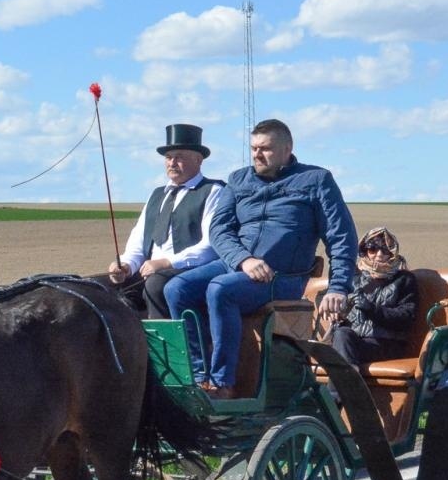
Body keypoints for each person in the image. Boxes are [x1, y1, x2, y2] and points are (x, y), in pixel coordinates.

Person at [164, 118, 358, 398]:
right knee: (176, 288)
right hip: (237, 265)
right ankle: (197, 376)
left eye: (265, 149)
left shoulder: (316, 180)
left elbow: (341, 237)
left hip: (283, 276)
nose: (256, 154)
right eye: (253, 148)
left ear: (287, 148)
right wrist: (243, 260)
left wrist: (339, 286)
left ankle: (222, 383)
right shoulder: (239, 179)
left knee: (221, 289)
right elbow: (220, 229)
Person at [107, 123, 225, 318]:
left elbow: (210, 246)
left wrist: (166, 263)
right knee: (104, 288)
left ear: (198, 159)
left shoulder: (213, 192)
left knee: (156, 285)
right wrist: (126, 265)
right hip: (151, 270)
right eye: (169, 158)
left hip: (190, 271)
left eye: (179, 157)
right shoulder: (157, 195)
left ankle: (167, 347)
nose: (172, 163)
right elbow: (138, 242)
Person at [329, 226, 418, 366]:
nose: (379, 254)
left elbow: (406, 318)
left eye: (385, 249)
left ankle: (344, 387)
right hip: (351, 340)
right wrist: (334, 311)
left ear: (392, 252)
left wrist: (372, 309)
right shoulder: (352, 276)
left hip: (386, 343)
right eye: (372, 249)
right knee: (341, 334)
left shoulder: (404, 279)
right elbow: (329, 296)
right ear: (364, 251)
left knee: (343, 341)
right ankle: (345, 385)